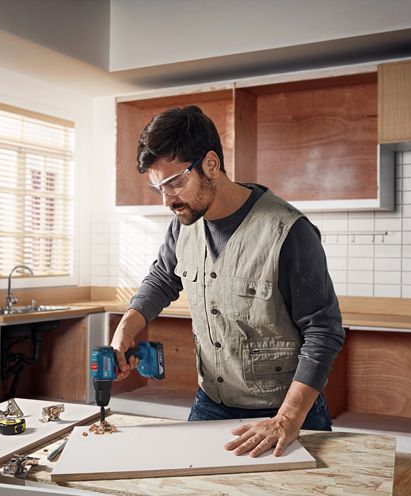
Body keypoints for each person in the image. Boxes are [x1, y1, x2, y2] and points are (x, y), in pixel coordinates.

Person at [111, 105, 345, 458]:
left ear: (210, 164)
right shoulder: (183, 224)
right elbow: (162, 278)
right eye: (158, 187)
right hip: (212, 402)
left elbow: (324, 332)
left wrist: (288, 418)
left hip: (285, 411)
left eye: (175, 182)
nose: (167, 200)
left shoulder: (288, 231)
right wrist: (129, 323)